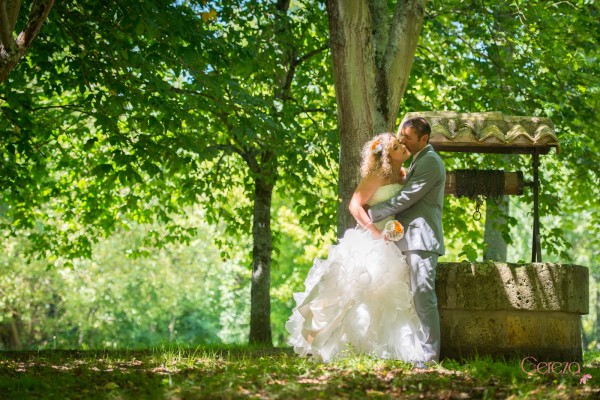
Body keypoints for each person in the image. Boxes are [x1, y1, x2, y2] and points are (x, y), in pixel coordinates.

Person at [286, 133, 434, 363]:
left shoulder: (404, 175)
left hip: (390, 241)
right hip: (370, 238)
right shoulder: (376, 176)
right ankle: (348, 345)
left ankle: (386, 348)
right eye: (396, 146)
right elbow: (354, 205)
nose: (403, 147)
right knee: (359, 289)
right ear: (387, 156)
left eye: (401, 143)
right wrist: (374, 231)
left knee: (389, 293)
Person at [367, 117, 446, 363]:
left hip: (422, 239)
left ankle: (430, 356)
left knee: (424, 297)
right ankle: (411, 350)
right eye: (401, 135)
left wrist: (372, 213)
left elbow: (408, 198)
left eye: (408, 137)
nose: (402, 140)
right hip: (406, 237)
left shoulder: (430, 161)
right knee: (409, 298)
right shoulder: (417, 160)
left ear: (424, 139)